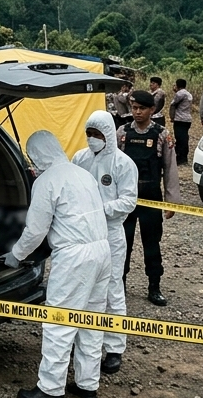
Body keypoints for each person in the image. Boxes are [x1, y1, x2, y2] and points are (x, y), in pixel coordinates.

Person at [3, 130, 113, 398]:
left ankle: (51, 389)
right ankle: (88, 385)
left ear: (36, 155)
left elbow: (36, 230)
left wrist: (16, 255)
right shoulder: (81, 173)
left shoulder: (46, 182)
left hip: (74, 256)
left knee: (59, 322)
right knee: (91, 319)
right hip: (102, 251)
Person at [72, 110, 139, 375]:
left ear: (109, 135)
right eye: (89, 134)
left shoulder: (123, 164)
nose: (92, 139)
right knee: (83, 288)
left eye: (97, 135)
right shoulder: (80, 158)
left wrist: (99, 209)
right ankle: (84, 344)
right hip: (83, 234)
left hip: (110, 233)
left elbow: (128, 201)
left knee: (112, 289)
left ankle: (114, 348)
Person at [116, 90, 178, 306]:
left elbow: (170, 169)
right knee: (123, 243)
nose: (137, 112)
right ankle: (118, 285)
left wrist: (172, 202)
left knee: (152, 244)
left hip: (152, 197)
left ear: (152, 110)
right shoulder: (122, 132)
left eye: (142, 108)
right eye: (134, 108)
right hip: (126, 199)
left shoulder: (162, 134)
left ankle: (154, 286)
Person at [170, 79, 194, 164]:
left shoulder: (180, 93)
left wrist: (172, 117)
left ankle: (180, 158)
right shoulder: (188, 94)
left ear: (177, 85)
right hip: (187, 119)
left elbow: (173, 104)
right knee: (184, 138)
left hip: (180, 119)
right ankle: (184, 157)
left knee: (180, 139)